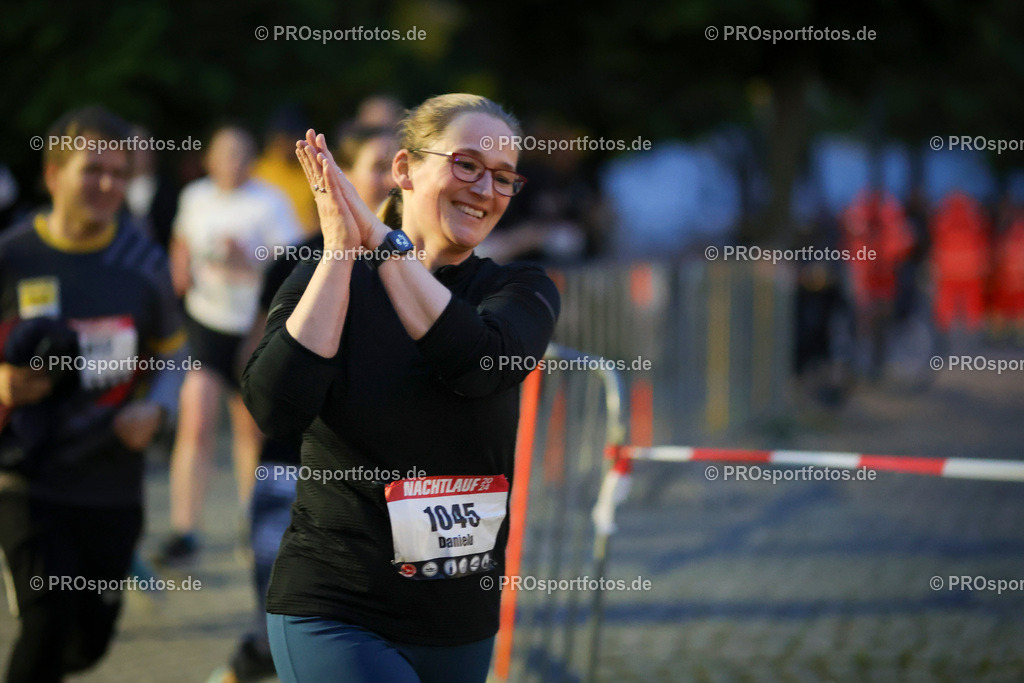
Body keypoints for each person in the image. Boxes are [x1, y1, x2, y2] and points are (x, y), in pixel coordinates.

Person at [241, 93, 559, 682]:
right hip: (336, 605)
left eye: (504, 178)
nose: (485, 189)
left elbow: (479, 362)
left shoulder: (518, 287)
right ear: (406, 168)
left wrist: (384, 247)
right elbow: (275, 407)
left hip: (459, 619)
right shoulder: (326, 276)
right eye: (465, 164)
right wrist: (342, 253)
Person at [0, 106, 187, 682]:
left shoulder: (143, 263)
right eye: (92, 170)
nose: (108, 184)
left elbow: (175, 353)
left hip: (111, 479)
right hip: (26, 476)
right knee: (46, 619)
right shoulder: (12, 256)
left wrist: (156, 406)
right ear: (54, 174)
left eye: (119, 172)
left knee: (89, 640)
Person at [211, 123, 397, 683]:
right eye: (378, 163)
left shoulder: (420, 267)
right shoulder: (297, 259)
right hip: (292, 466)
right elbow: (255, 372)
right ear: (341, 172)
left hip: (378, 480)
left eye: (401, 164)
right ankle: (245, 665)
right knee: (282, 613)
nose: (392, 177)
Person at [157, 126, 301, 565]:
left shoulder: (270, 200)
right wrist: (178, 270)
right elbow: (180, 238)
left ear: (252, 159)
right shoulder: (195, 196)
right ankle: (185, 531)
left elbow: (294, 262)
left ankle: (250, 521)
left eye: (241, 154)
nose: (232, 163)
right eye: (224, 154)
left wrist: (250, 259)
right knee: (196, 418)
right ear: (209, 159)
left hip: (254, 325)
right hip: (206, 320)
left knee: (249, 428)